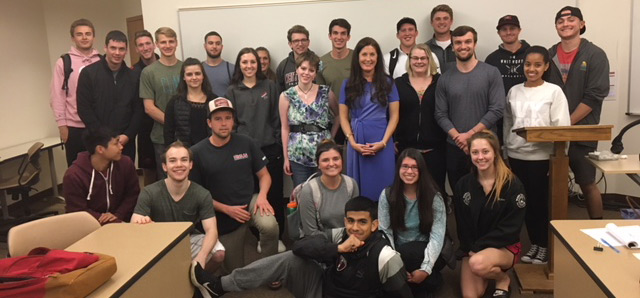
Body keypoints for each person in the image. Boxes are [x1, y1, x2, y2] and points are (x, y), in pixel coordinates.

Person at [189, 196, 414, 298]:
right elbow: (300, 246)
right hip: (323, 291)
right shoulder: (340, 235)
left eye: (362, 222)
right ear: (345, 221)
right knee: (290, 258)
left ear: (375, 225)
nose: (355, 228)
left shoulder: (386, 256)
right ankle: (219, 286)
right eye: (350, 221)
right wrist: (337, 250)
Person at [190, 97, 278, 272]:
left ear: (233, 121)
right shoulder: (197, 152)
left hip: (250, 202)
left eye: (228, 118)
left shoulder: (246, 142)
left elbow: (264, 176)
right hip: (222, 213)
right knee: (235, 271)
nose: (224, 123)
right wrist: (226, 209)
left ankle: (271, 270)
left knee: (270, 226)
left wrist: (262, 197)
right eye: (218, 119)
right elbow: (196, 196)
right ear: (209, 123)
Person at [504, 46, 571, 265]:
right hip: (516, 156)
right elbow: (508, 123)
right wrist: (505, 152)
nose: (531, 69)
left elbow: (562, 127)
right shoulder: (514, 91)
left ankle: (543, 245)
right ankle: (533, 244)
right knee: (520, 203)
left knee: (539, 204)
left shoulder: (554, 92)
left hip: (542, 159)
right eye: (528, 64)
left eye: (537, 65)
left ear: (546, 66)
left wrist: (559, 159)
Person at [546, 6, 610, 220]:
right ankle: (555, 232)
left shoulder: (595, 54)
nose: (565, 24)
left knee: (587, 182)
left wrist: (566, 124)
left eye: (571, 19)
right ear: (556, 26)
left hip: (583, 132)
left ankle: (599, 228)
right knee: (553, 184)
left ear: (582, 24)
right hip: (552, 135)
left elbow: (594, 96)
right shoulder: (549, 54)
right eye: (560, 21)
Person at [131, 141, 225, 273]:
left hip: (188, 239)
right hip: (157, 240)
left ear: (190, 164)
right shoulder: (149, 192)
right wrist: (142, 224)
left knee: (219, 254)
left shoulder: (202, 194)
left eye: (184, 160)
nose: (179, 165)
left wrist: (201, 258)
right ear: (165, 166)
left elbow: (211, 230)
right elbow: (134, 221)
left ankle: (197, 280)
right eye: (173, 161)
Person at [453, 130, 526, 298]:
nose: (481, 157)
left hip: (504, 246)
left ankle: (502, 278)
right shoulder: (463, 185)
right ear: (470, 154)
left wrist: (478, 249)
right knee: (471, 295)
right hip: (474, 248)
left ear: (495, 153)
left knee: (477, 264)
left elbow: (511, 228)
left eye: (485, 151)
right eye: (475, 152)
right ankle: (486, 269)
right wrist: (470, 248)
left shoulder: (512, 185)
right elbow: (462, 224)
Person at [226, 48, 285, 253]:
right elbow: (230, 122)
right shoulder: (232, 90)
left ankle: (275, 237)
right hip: (243, 152)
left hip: (269, 149)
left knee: (274, 194)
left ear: (258, 65)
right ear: (239, 65)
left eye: (253, 62)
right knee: (250, 194)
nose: (249, 66)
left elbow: (277, 118)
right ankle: (257, 236)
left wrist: (277, 142)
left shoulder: (269, 85)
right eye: (245, 62)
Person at [434, 25, 505, 192]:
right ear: (452, 46)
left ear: (475, 44)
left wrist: (471, 135)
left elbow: (497, 108)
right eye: (458, 42)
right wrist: (459, 137)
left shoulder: (491, 73)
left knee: (489, 194)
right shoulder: (445, 78)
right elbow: (440, 113)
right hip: (455, 146)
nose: (463, 46)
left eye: (467, 41)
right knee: (459, 195)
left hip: (485, 147)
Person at [378, 148, 446, 296]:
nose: (409, 171)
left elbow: (437, 236)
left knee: (409, 255)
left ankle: (427, 278)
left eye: (415, 167)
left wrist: (425, 269)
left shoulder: (434, 197)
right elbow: (385, 230)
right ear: (398, 169)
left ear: (422, 170)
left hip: (427, 250)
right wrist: (394, 259)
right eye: (405, 166)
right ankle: (428, 283)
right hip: (399, 250)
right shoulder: (388, 195)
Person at [339, 37, 400, 201]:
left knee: (385, 188)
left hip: (383, 141)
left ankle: (384, 224)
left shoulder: (388, 83)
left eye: (372, 54)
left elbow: (394, 116)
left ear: (378, 57)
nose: (368, 59)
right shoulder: (347, 84)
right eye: (364, 54)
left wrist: (384, 142)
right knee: (359, 191)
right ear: (357, 58)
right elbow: (343, 117)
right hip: (357, 142)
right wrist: (352, 142)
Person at [77, 30, 142, 161]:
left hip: (125, 142)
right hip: (99, 143)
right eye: (113, 48)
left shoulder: (134, 76)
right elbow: (84, 109)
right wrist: (104, 137)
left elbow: (138, 110)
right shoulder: (88, 74)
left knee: (125, 178)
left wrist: (128, 135)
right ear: (105, 47)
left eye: (121, 49)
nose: (117, 53)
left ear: (126, 51)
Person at [280, 52, 339, 186]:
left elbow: (339, 115)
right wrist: (286, 158)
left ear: (316, 73)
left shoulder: (326, 92)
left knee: (325, 190)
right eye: (303, 68)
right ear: (297, 69)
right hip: (297, 154)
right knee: (301, 193)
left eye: (311, 70)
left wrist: (331, 138)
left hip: (323, 152)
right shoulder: (286, 96)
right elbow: (284, 127)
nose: (306, 73)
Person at [394, 43, 447, 192]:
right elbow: (391, 114)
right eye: (415, 58)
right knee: (407, 192)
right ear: (409, 60)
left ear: (429, 60)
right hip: (406, 149)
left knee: (435, 191)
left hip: (435, 149)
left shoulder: (441, 82)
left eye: (423, 58)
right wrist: (393, 139)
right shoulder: (398, 83)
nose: (419, 61)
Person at [49, 19, 100, 166]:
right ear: (73, 38)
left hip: (98, 126)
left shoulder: (101, 61)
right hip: (74, 128)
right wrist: (62, 126)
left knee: (101, 170)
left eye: (88, 34)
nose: (84, 37)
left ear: (93, 37)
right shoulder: (64, 63)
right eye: (79, 34)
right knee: (78, 171)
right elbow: (57, 97)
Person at [63, 127, 139, 225]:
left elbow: (133, 194)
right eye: (116, 143)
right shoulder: (74, 175)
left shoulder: (125, 163)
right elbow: (77, 210)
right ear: (100, 149)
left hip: (122, 222)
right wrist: (105, 220)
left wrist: (118, 215)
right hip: (89, 227)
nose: (121, 147)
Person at [140, 27, 183, 179]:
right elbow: (149, 108)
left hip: (186, 136)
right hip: (161, 137)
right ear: (156, 44)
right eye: (163, 42)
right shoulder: (149, 72)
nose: (168, 45)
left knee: (188, 178)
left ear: (176, 43)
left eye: (171, 41)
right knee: (167, 180)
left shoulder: (185, 68)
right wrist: (173, 124)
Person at [485, 15, 531, 144]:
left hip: (529, 115)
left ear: (519, 30)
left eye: (512, 28)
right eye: (504, 29)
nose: (508, 32)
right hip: (499, 117)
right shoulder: (491, 59)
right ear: (499, 33)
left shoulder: (531, 54)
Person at [298, 140, 359, 236]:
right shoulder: (309, 190)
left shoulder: (351, 184)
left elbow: (357, 221)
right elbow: (311, 233)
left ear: (342, 160)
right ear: (318, 164)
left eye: (336, 159)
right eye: (325, 160)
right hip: (321, 245)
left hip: (351, 240)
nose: (331, 164)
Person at [164, 58, 216, 147]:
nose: (194, 77)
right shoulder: (174, 102)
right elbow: (168, 133)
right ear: (183, 77)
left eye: (197, 73)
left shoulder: (214, 101)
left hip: (210, 152)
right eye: (189, 74)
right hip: (184, 154)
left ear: (203, 76)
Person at [131, 30, 160, 185]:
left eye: (148, 43)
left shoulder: (167, 65)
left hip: (167, 128)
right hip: (146, 131)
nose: (145, 48)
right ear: (136, 49)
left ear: (154, 45)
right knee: (150, 175)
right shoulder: (133, 73)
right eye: (141, 45)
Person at [319, 18, 353, 145]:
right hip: (332, 123)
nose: (339, 37)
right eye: (335, 33)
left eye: (343, 33)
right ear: (330, 36)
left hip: (354, 121)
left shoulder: (357, 59)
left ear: (348, 37)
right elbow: (320, 94)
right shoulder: (321, 62)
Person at [276, 25, 323, 92]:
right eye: (296, 41)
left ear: (308, 42)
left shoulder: (318, 62)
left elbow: (323, 89)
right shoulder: (283, 66)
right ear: (290, 44)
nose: (300, 44)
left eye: (303, 40)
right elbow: (279, 92)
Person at [202, 31, 235, 97]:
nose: (214, 46)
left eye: (217, 43)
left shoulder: (232, 69)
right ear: (205, 46)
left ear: (222, 47)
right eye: (211, 43)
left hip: (226, 107)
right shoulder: (198, 69)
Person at [425, 4, 456, 73]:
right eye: (438, 19)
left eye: (445, 18)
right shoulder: (425, 48)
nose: (442, 22)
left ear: (451, 21)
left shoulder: (462, 45)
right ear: (431, 22)